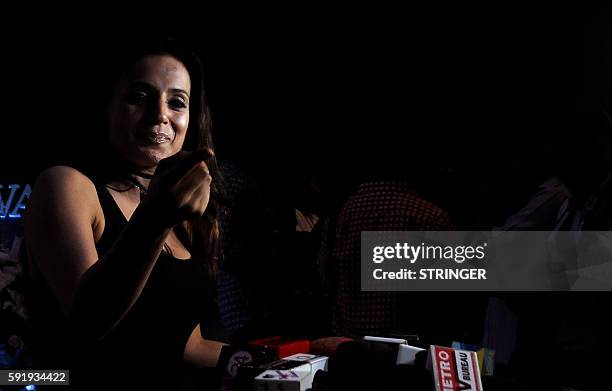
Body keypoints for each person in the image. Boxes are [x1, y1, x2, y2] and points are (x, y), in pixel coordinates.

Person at [23, 37, 228, 390]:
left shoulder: (177, 211)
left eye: (177, 102)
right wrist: (156, 218)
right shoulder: (67, 185)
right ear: (107, 105)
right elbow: (87, 325)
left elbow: (189, 346)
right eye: (139, 97)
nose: (160, 114)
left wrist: (273, 360)